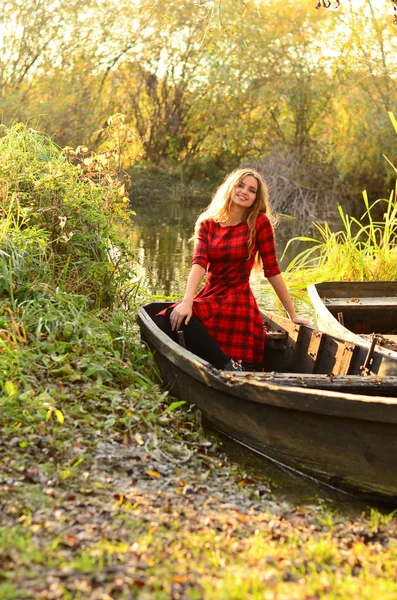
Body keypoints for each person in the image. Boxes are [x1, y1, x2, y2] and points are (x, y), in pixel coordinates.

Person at [154, 168, 309, 371]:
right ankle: (210, 364)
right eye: (240, 185)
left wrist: (292, 314)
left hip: (238, 299)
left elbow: (271, 270)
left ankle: (228, 367)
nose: (244, 192)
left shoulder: (259, 223)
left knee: (181, 320)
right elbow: (199, 263)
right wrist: (187, 301)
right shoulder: (207, 223)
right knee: (162, 320)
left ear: (256, 198)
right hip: (211, 294)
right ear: (230, 187)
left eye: (252, 190)